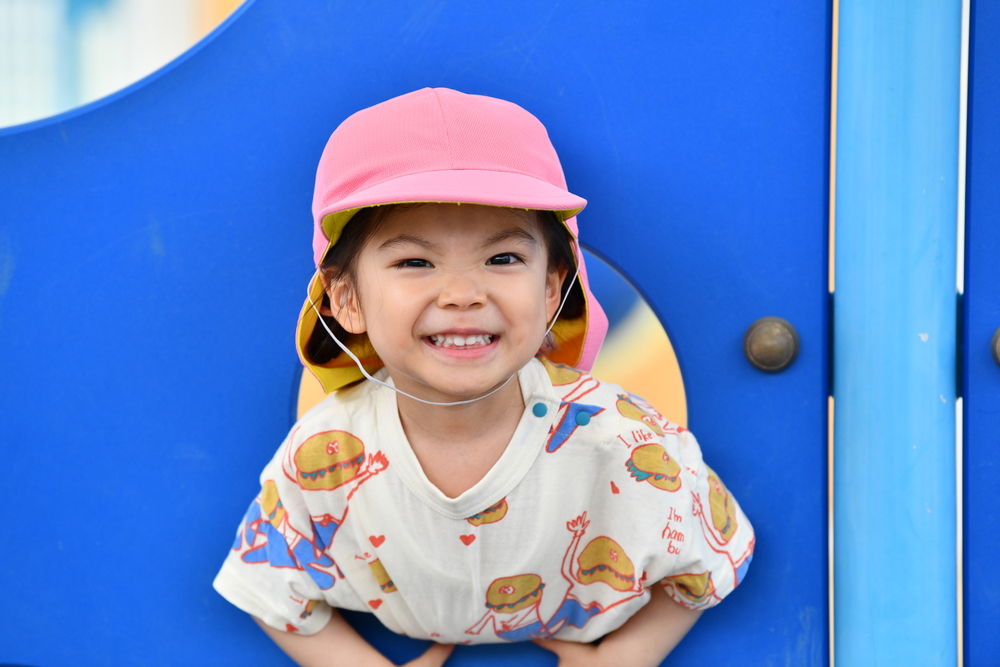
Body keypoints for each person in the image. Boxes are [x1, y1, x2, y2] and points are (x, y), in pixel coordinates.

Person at [213, 87, 754, 667]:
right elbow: (267, 586)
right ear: (346, 300)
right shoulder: (327, 452)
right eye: (414, 262)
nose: (463, 294)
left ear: (552, 289)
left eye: (502, 259)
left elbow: (714, 552)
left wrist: (625, 658)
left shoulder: (619, 439)